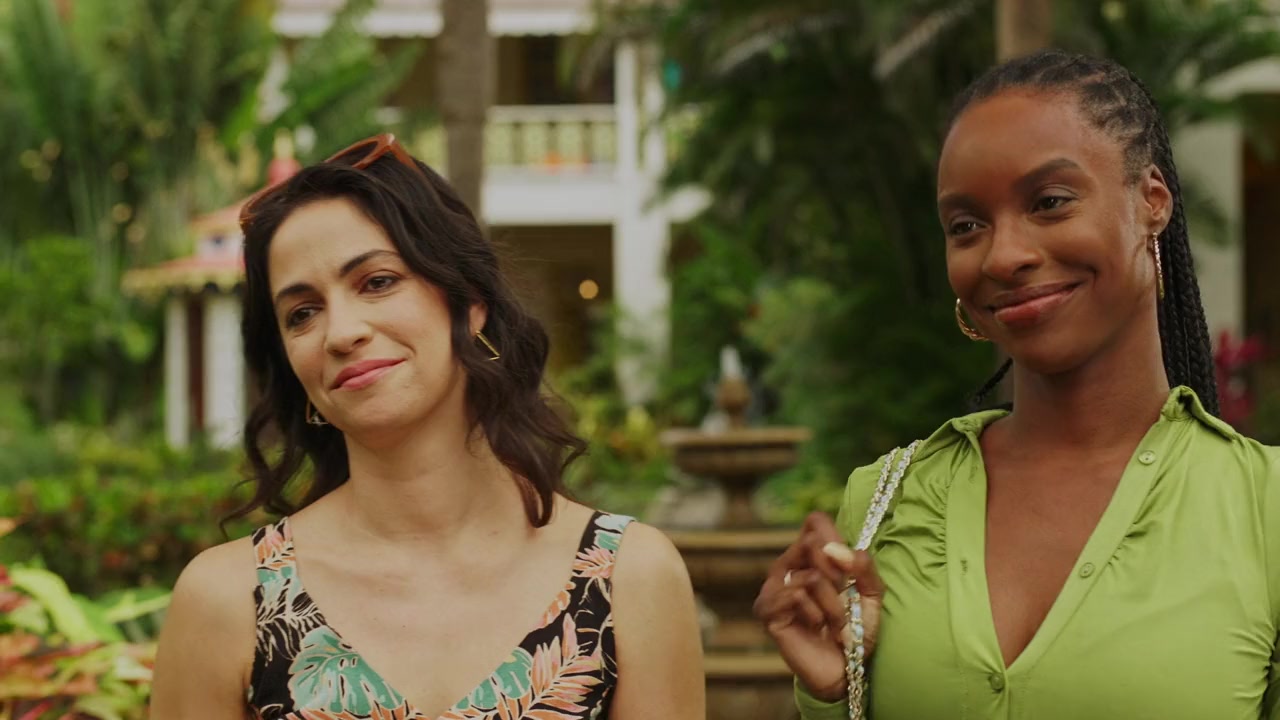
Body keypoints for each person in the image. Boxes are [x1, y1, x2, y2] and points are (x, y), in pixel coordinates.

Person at [754, 50, 1280, 719]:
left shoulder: (1263, 511)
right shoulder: (885, 502)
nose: (1004, 255)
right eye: (966, 226)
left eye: (1050, 202)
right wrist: (832, 694)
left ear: (1151, 202)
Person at [150, 134, 705, 719]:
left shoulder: (627, 579)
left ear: (469, 301)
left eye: (377, 282)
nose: (341, 333)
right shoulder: (229, 601)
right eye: (302, 313)